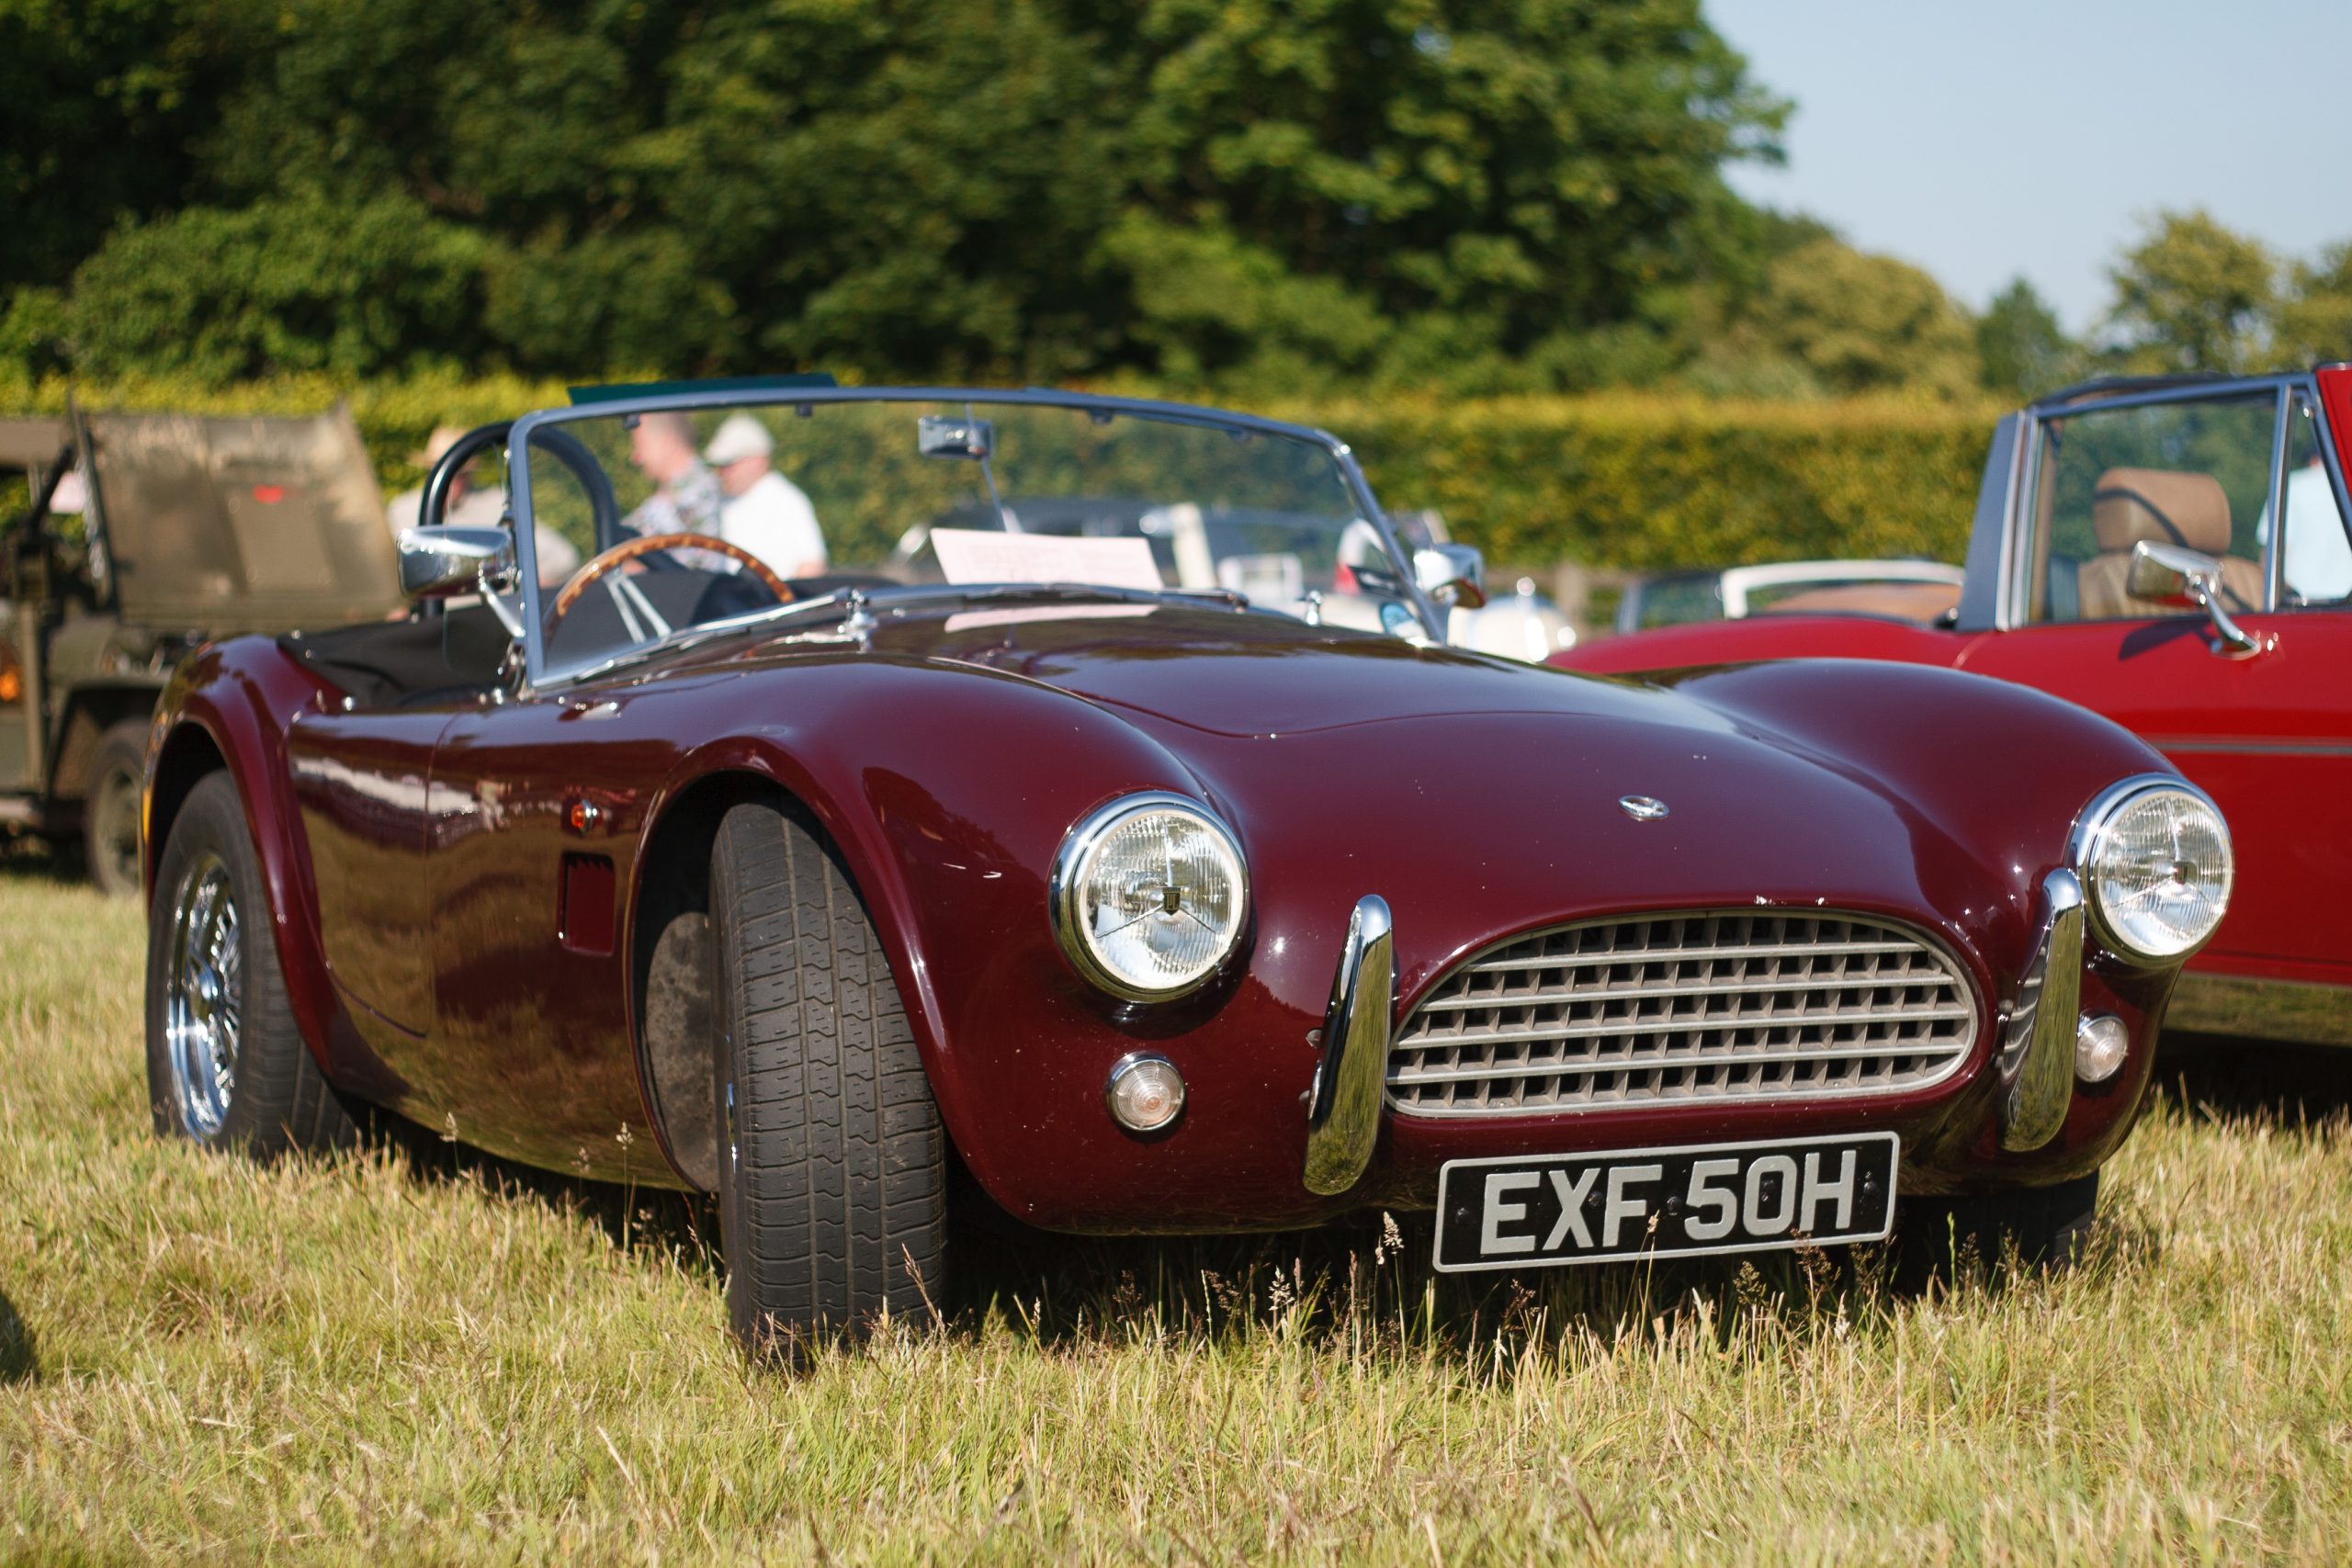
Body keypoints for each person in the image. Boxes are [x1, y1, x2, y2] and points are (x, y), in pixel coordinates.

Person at [386, 424, 580, 589]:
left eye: (461, 473)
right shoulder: (404, 510)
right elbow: (391, 574)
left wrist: (524, 581)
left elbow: (561, 557)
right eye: (440, 471)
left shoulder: (496, 504)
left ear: (470, 475)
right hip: (432, 614)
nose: (452, 482)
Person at [702, 413, 828, 577]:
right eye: (719, 466)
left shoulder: (787, 500)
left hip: (773, 600)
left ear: (758, 461)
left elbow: (812, 564)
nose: (721, 472)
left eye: (728, 464)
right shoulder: (724, 501)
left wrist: (786, 599)